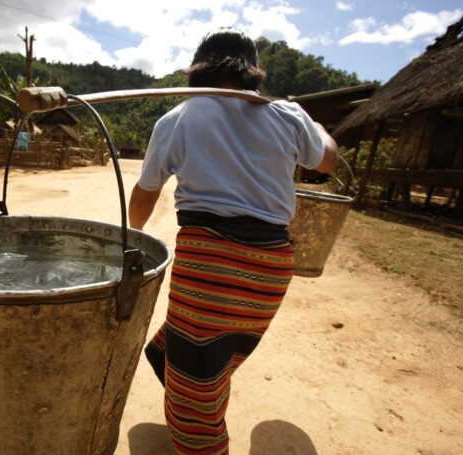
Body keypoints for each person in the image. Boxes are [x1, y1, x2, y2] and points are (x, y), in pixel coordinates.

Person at [128, 28, 338, 454]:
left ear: (198, 72)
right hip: (270, 270)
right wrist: (317, 127)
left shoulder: (179, 118)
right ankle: (197, 396)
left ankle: (200, 434)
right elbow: (328, 160)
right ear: (252, 74)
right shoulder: (287, 115)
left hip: (208, 265)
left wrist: (131, 237)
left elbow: (145, 193)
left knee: (197, 388)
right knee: (205, 353)